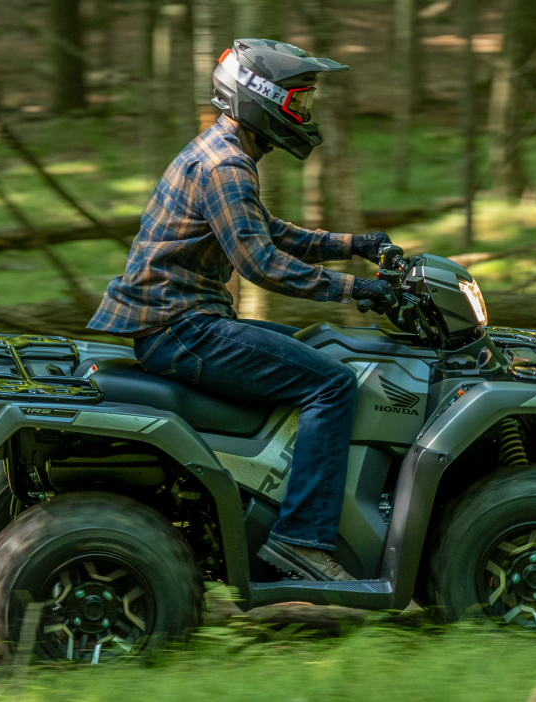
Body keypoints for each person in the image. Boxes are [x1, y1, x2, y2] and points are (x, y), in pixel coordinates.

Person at [87, 39, 398, 581]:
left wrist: (356, 244)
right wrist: (357, 290)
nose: (304, 114)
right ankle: (302, 538)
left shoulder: (219, 152)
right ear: (262, 98)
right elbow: (260, 263)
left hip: (181, 323)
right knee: (333, 383)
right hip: (183, 329)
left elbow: (266, 231)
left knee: (319, 345)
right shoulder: (227, 165)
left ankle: (277, 488)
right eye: (297, 103)